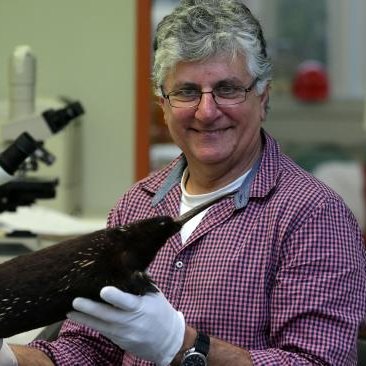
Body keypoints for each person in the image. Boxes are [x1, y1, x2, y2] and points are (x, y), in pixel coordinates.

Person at [1, 0, 366, 365]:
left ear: (263, 97)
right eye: (187, 92)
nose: (206, 112)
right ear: (163, 102)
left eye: (227, 89)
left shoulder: (315, 216)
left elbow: (317, 361)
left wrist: (184, 345)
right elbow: (89, 350)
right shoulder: (137, 205)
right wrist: (11, 359)